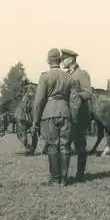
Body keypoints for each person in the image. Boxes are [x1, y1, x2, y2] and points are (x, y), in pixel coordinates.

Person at [31, 49, 79, 186]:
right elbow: (74, 102)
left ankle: (55, 178)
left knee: (52, 146)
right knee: (65, 145)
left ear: (48, 61)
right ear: (59, 60)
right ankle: (64, 179)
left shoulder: (44, 77)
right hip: (65, 113)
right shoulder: (69, 77)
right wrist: (73, 119)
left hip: (49, 113)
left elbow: (39, 100)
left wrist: (35, 120)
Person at [60, 48, 93, 183]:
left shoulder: (82, 74)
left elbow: (88, 93)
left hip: (79, 115)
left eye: (64, 59)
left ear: (71, 60)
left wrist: (75, 96)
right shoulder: (67, 74)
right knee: (65, 144)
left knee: (80, 146)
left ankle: (80, 174)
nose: (62, 61)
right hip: (68, 114)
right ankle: (64, 175)